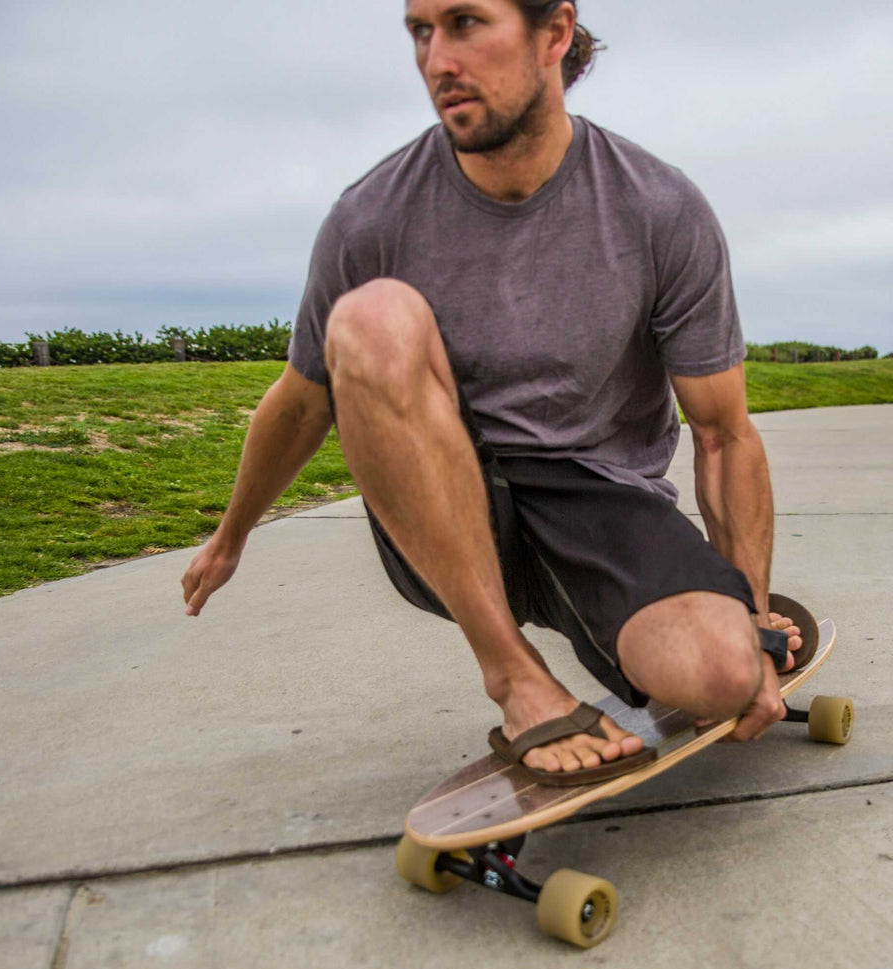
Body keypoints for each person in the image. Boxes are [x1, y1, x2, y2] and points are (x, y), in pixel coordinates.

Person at [181, 0, 803, 785]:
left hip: (598, 502)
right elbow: (303, 401)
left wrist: (748, 614)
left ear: (554, 33)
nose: (438, 59)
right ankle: (515, 677)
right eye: (420, 30)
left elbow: (722, 433)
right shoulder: (370, 217)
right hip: (447, 499)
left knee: (718, 676)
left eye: (467, 22)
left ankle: (696, 640)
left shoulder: (658, 208)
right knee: (371, 315)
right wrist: (231, 536)